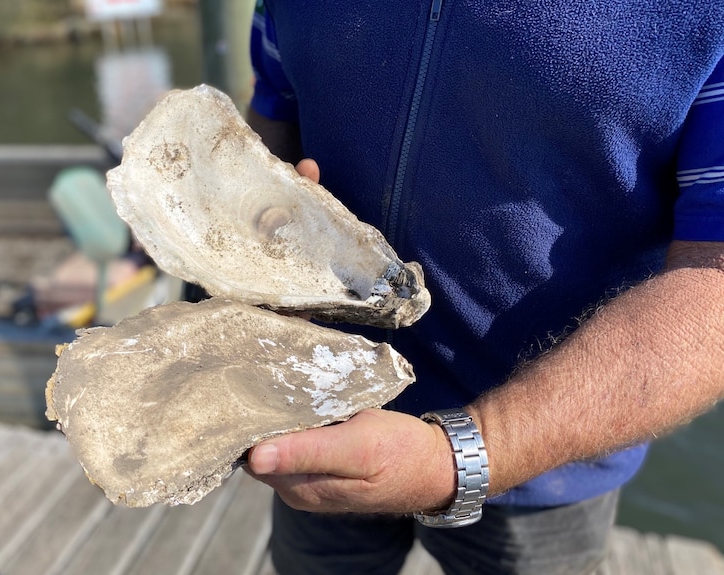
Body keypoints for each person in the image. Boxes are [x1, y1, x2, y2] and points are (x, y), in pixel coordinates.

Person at [242, 2, 724, 574]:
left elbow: (712, 280)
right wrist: (247, 212)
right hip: (317, 405)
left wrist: (469, 453)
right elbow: (275, 115)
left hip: (546, 459)